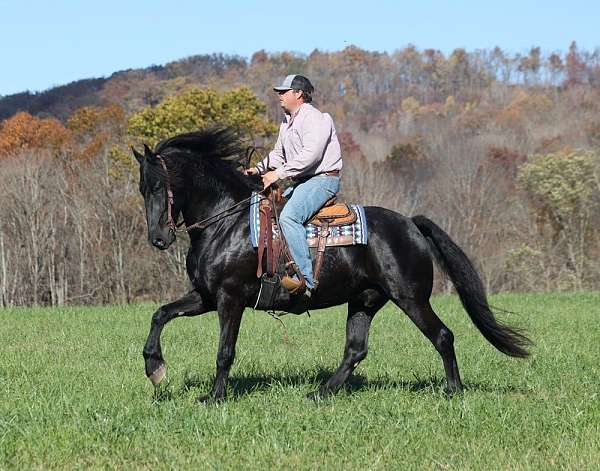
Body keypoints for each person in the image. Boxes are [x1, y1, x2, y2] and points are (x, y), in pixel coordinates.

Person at [245, 74, 342, 296]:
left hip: (323, 179)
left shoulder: (316, 118)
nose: (279, 95)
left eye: (284, 91)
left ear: (298, 94)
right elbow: (278, 154)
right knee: (270, 214)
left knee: (289, 217)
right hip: (304, 181)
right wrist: (259, 170)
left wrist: (277, 175)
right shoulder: (287, 121)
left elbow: (311, 155)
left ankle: (305, 280)